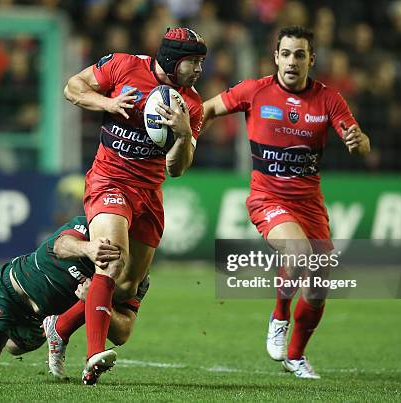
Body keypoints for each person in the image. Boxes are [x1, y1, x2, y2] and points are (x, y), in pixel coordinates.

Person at [202, 26, 370, 379]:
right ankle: (279, 315)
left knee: (319, 286)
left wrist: (359, 142)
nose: (292, 61)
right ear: (275, 57)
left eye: (300, 55)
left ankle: (296, 355)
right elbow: (210, 108)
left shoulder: (328, 99)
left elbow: (357, 140)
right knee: (298, 253)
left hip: (309, 204)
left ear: (311, 60)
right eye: (286, 54)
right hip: (267, 198)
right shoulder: (255, 90)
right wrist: (184, 126)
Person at [61, 27, 206, 384]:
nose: (200, 70)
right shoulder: (123, 66)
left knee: (125, 288)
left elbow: (177, 168)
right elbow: (72, 88)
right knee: (111, 258)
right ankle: (93, 355)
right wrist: (108, 104)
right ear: (172, 60)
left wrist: (185, 134)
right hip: (109, 181)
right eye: (194, 62)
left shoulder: (193, 104)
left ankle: (59, 326)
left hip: (149, 193)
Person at [0, 216, 149, 384]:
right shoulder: (92, 226)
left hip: (39, 318)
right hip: (8, 293)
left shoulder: (136, 276)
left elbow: (123, 332)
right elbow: (59, 246)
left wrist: (98, 301)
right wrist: (87, 249)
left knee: (16, 347)